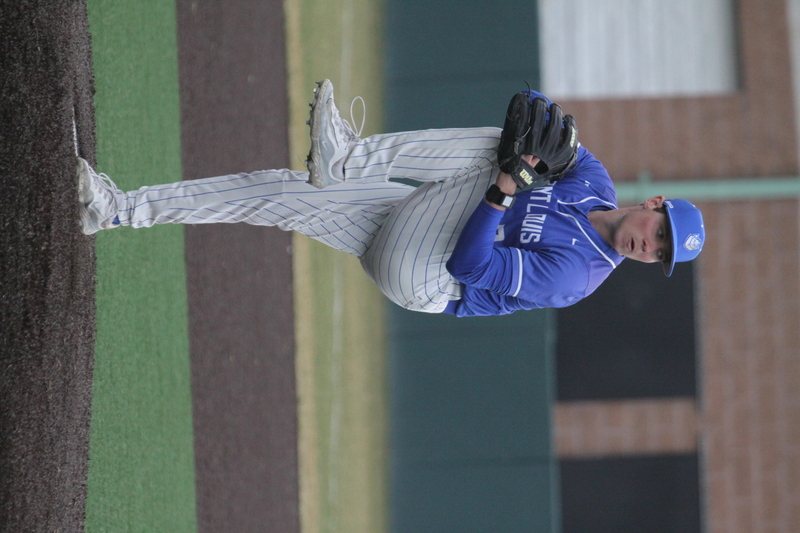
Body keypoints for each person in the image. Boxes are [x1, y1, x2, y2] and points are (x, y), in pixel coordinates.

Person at [78, 79, 705, 317]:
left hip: (427, 276)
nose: (647, 248)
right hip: (412, 222)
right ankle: (115, 209)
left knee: (502, 158)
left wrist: (504, 189)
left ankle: (348, 159)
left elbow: (470, 268)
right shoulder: (595, 183)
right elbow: (553, 136)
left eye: (658, 255)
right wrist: (533, 162)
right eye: (659, 233)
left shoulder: (577, 276)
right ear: (652, 205)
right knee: (267, 193)